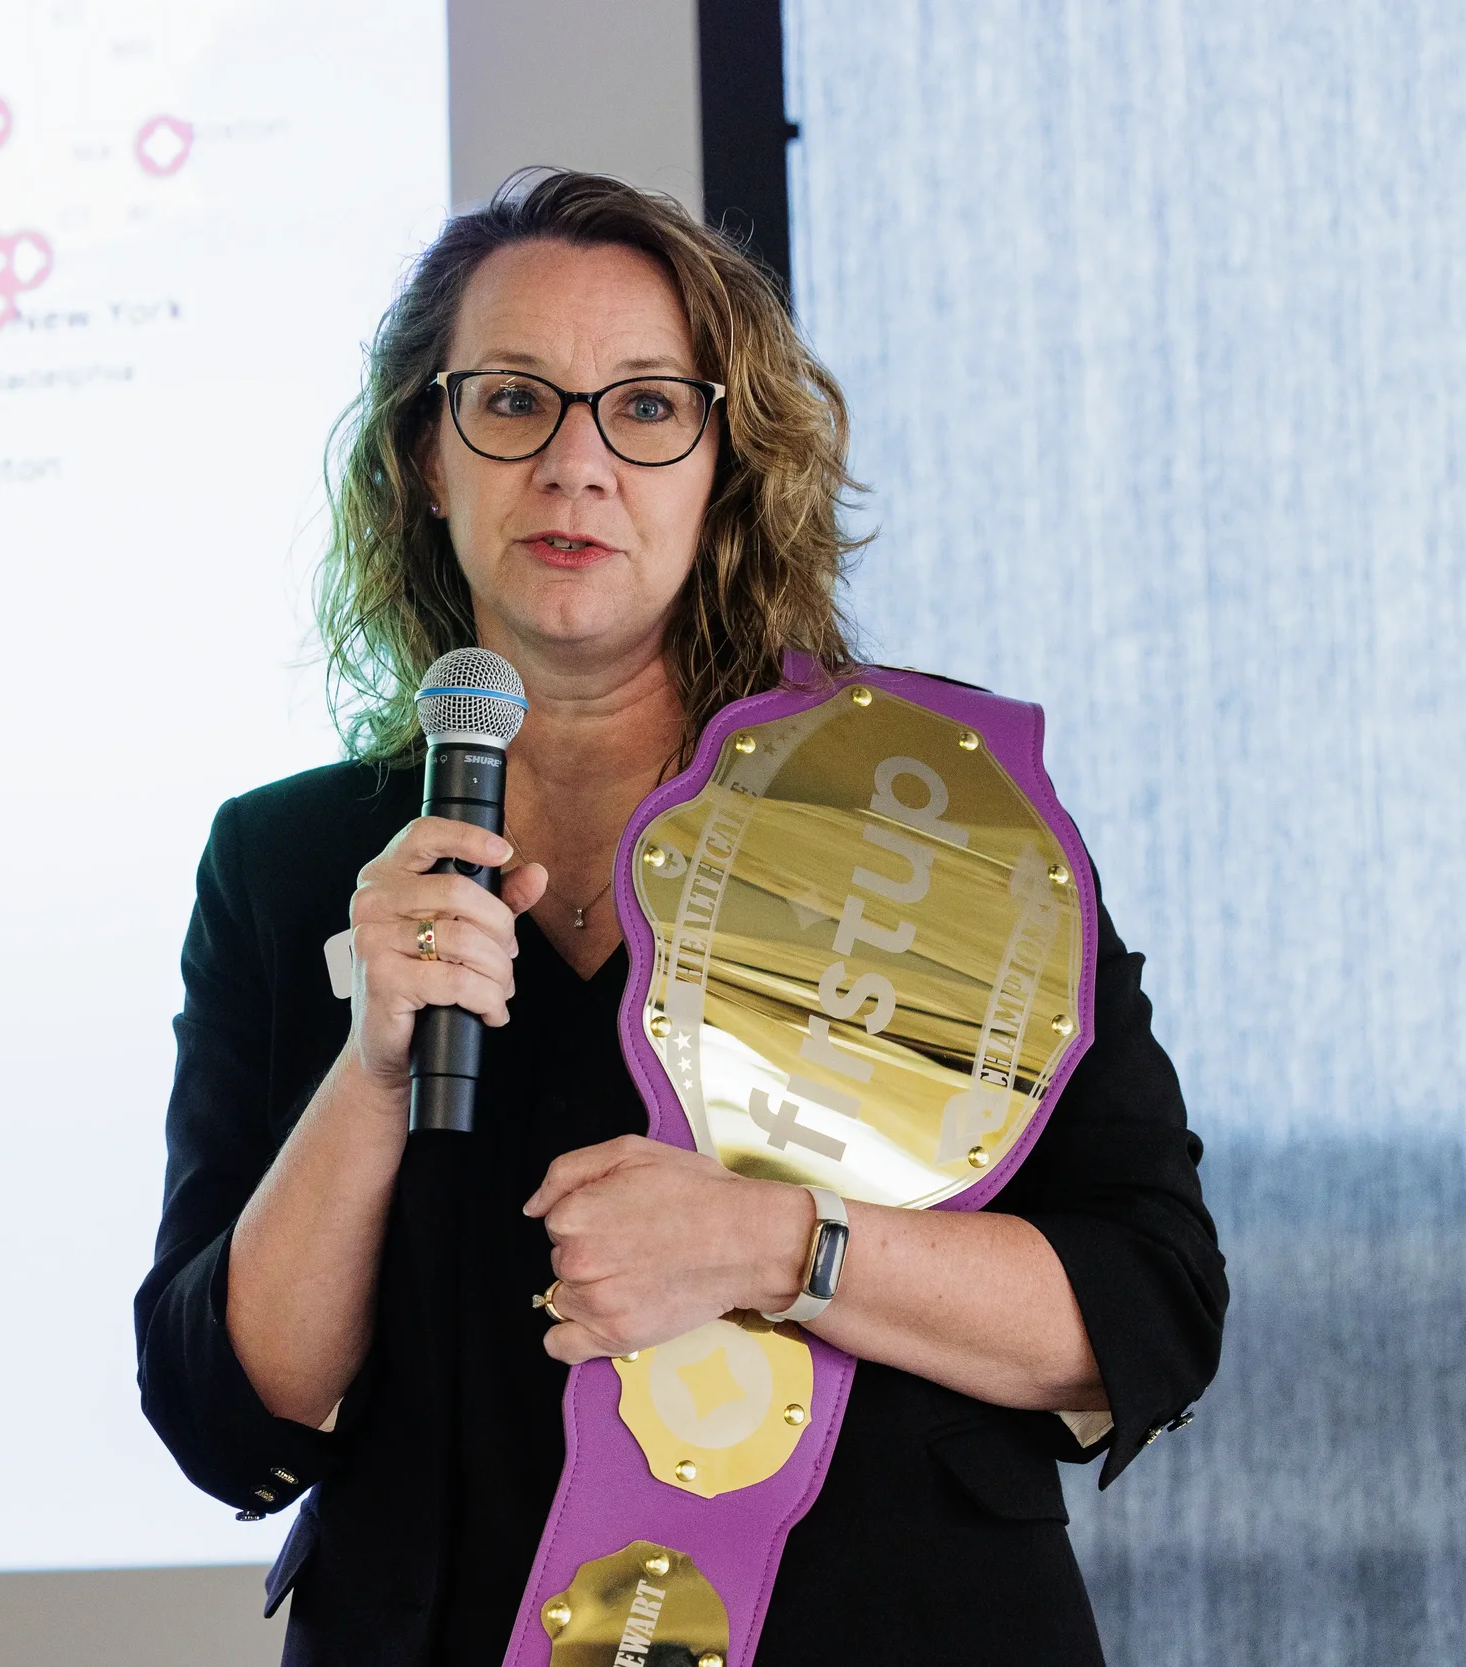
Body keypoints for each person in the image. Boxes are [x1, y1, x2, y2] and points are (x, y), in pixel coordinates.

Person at [133, 170, 1225, 1666]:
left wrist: (784, 1246)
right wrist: (372, 1064)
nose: (576, 463)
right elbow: (224, 1405)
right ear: (425, 462)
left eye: (644, 407)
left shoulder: (914, 808)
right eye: (512, 400)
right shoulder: (288, 857)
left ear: (727, 465)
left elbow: (1147, 1301)